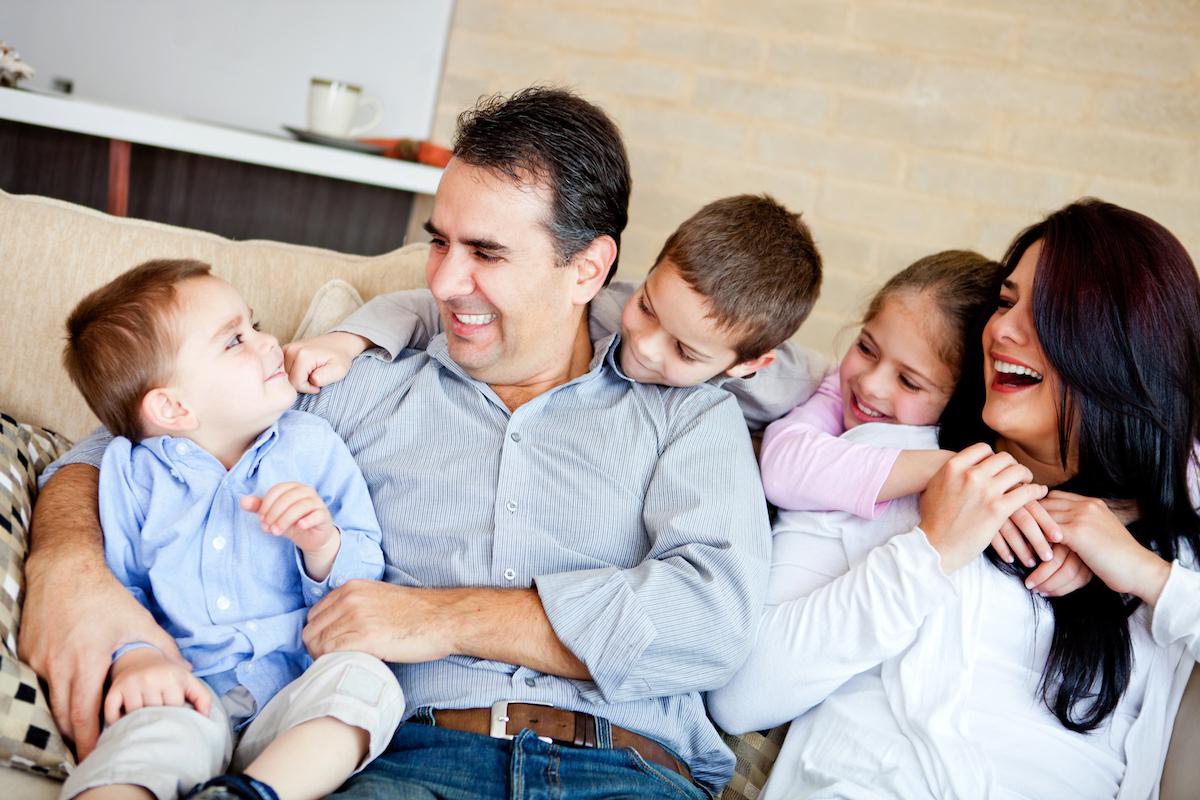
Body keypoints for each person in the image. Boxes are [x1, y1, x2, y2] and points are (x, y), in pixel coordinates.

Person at [22, 87, 771, 798]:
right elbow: (133, 438)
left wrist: (439, 617)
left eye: (486, 252)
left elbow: (710, 621)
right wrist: (68, 565)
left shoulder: (686, 415)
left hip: (628, 768)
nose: (445, 282)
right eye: (438, 242)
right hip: (410, 762)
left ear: (588, 269)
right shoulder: (356, 383)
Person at [709, 198, 1200, 800]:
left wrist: (1146, 573)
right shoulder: (884, 465)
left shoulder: (1170, 552)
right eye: (1007, 301)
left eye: (1047, 311)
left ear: (1122, 350)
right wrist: (931, 549)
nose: (1002, 330)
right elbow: (742, 695)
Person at [55, 260, 402, 800]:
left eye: (256, 325)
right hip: (186, 688)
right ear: (173, 406)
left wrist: (322, 543)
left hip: (292, 698)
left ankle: (251, 794)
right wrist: (137, 657)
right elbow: (116, 586)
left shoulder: (310, 445)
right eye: (235, 341)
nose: (270, 343)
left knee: (367, 682)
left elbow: (365, 579)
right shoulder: (130, 473)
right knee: (145, 740)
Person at [283, 192, 825, 431]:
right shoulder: (605, 309)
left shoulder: (784, 388)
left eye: (684, 350)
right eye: (649, 308)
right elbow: (428, 309)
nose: (645, 346)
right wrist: (348, 341)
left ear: (747, 365)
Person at [759, 250, 1089, 592]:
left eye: (909, 382)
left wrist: (1062, 549)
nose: (870, 384)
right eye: (867, 348)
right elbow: (782, 465)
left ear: (961, 400)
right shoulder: (835, 393)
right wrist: (946, 468)